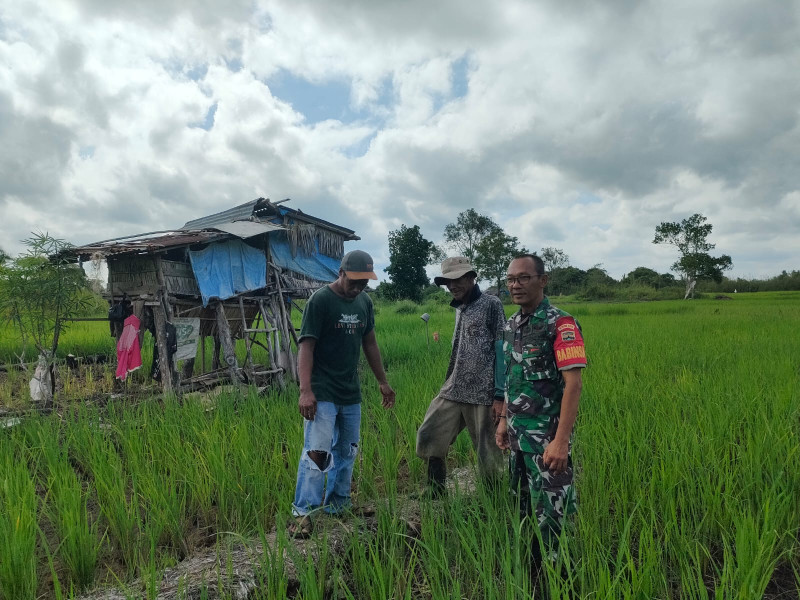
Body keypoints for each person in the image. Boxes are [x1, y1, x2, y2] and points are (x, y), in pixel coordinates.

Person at [289, 250, 396, 537]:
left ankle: (338, 504)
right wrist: (305, 390)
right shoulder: (320, 301)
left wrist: (382, 381)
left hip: (350, 391)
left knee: (347, 450)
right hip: (322, 390)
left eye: (364, 282)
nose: (359, 287)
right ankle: (303, 512)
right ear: (341, 272)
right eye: (355, 281)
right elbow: (306, 347)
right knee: (317, 453)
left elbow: (370, 343)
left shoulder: (364, 302)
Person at [495, 254, 586, 559]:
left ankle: (561, 582)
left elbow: (573, 384)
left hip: (548, 443)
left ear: (543, 280)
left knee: (553, 521)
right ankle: (532, 575)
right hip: (519, 441)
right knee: (523, 514)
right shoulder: (511, 325)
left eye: (523, 278)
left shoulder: (561, 324)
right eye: (510, 279)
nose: (515, 285)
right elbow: (512, 378)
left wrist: (561, 442)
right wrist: (504, 420)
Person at [415, 256, 506, 497]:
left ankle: (495, 499)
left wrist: (499, 394)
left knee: (487, 451)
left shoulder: (491, 304)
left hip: (483, 391)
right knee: (429, 433)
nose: (452, 286)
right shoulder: (459, 307)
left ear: (471, 277)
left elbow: (501, 347)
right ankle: (435, 489)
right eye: (447, 281)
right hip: (454, 386)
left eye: (457, 280)